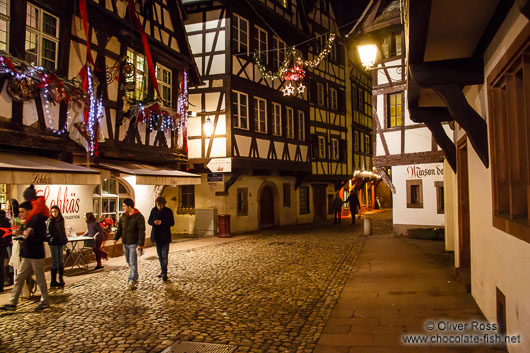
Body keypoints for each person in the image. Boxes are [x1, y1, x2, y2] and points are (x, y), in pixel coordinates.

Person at [1, 197, 50, 311]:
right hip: (28, 254)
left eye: (22, 211)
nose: (20, 214)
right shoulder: (28, 221)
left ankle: (45, 301)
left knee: (40, 278)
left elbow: (39, 237)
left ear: (29, 210)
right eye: (19, 211)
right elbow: (26, 235)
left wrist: (24, 233)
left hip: (36, 254)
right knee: (19, 278)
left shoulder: (37, 221)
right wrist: (21, 233)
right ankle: (13, 302)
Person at [113, 198, 145, 290]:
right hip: (125, 243)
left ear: (129, 206)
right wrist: (115, 238)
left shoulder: (139, 217)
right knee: (128, 261)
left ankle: (131, 280)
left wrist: (140, 244)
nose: (123, 207)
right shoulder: (123, 216)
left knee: (133, 262)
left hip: (133, 243)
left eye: (124, 206)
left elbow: (141, 231)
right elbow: (120, 229)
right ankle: (135, 275)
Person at [148, 196, 174, 281]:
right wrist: (154, 222)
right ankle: (163, 270)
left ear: (163, 204)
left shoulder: (168, 211)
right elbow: (149, 221)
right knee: (160, 256)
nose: (159, 206)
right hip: (157, 236)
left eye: (160, 205)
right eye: (158, 205)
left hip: (165, 236)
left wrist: (162, 222)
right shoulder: (153, 210)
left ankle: (164, 272)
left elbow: (172, 222)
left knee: (164, 255)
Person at [46, 206, 68, 287]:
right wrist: (51, 239)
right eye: (52, 212)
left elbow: (63, 230)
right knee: (55, 261)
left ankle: (61, 278)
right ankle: (53, 280)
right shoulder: (50, 220)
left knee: (61, 261)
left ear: (58, 211)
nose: (54, 213)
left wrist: (64, 238)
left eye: (55, 211)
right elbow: (48, 232)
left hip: (60, 242)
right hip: (53, 243)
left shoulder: (61, 219)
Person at [0, 210, 11, 292]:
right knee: (1, 266)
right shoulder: (6, 220)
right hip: (3, 245)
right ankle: (1, 286)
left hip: (2, 245)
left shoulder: (4, 220)